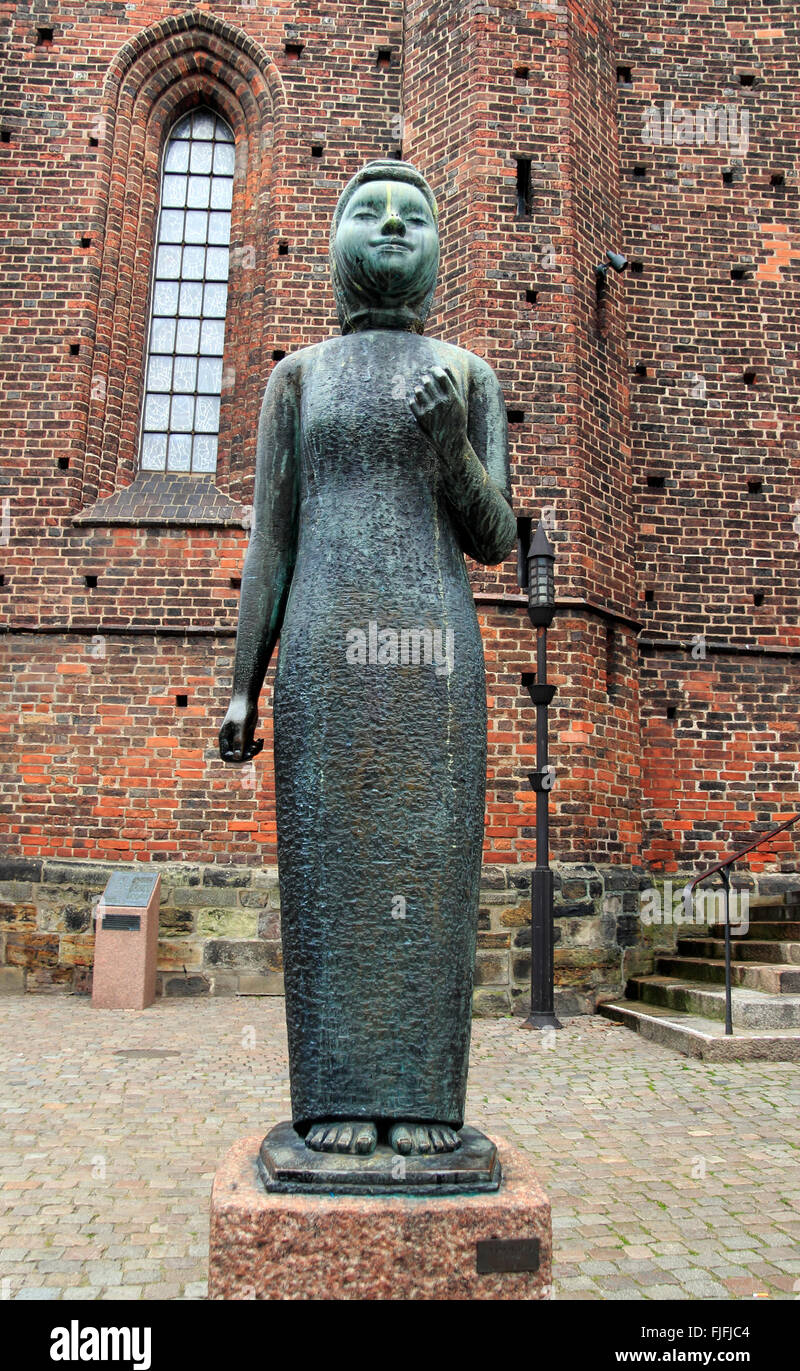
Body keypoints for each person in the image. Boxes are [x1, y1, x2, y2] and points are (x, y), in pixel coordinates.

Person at [219, 161, 516, 1157]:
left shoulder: (466, 375)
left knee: (424, 872)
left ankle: (424, 1098)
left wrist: (450, 450)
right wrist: (238, 685)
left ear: (438, 248)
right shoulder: (297, 376)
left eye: (413, 217)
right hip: (322, 650)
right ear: (334, 243)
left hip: (434, 657)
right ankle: (336, 1092)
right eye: (369, 212)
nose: (393, 227)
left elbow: (492, 537)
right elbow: (271, 541)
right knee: (331, 868)